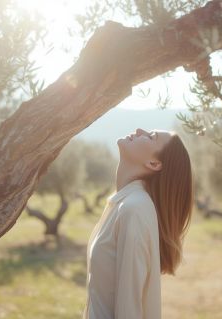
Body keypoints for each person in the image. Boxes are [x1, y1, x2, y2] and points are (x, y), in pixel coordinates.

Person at [82, 128, 194, 319]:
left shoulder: (134, 209)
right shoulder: (123, 204)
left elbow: (129, 308)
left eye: (151, 137)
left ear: (154, 163)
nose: (139, 130)